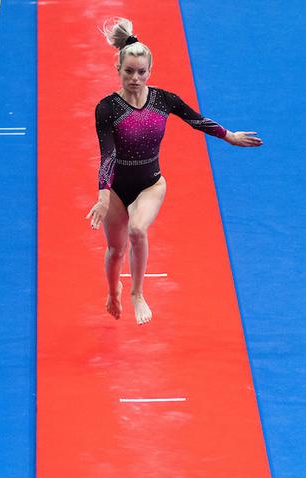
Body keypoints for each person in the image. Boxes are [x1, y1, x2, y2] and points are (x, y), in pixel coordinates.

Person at [86, 17, 262, 325]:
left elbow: (198, 121)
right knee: (115, 250)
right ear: (118, 70)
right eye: (129, 72)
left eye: (141, 72)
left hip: (150, 185)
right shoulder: (107, 108)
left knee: (138, 230)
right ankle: (113, 290)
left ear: (149, 72)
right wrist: (103, 195)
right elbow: (108, 153)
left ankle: (137, 293)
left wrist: (230, 135)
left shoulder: (163, 100)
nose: (135, 78)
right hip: (115, 189)